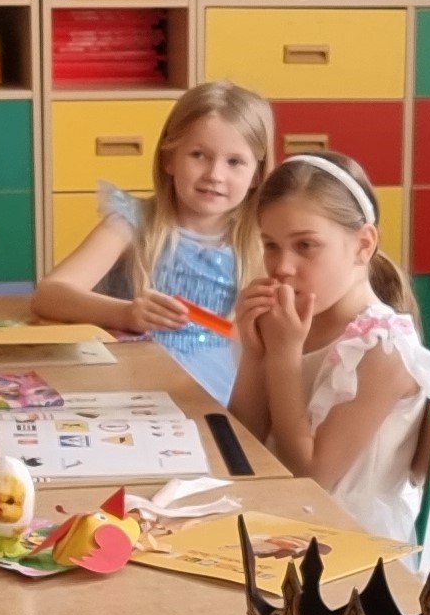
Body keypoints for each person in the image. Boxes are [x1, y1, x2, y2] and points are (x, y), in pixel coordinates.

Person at [228, 150, 430, 551]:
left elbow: (311, 480)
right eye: (271, 245)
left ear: (363, 245)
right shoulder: (289, 323)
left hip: (350, 544)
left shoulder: (380, 348)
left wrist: (282, 358)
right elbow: (239, 448)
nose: (282, 266)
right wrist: (254, 353)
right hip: (280, 519)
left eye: (305, 245)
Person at [32, 81, 270, 398]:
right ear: (169, 158)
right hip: (134, 388)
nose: (215, 174)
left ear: (257, 174)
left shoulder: (265, 242)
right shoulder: (134, 223)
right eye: (199, 155)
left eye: (235, 162)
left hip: (219, 395)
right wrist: (127, 313)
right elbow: (49, 295)